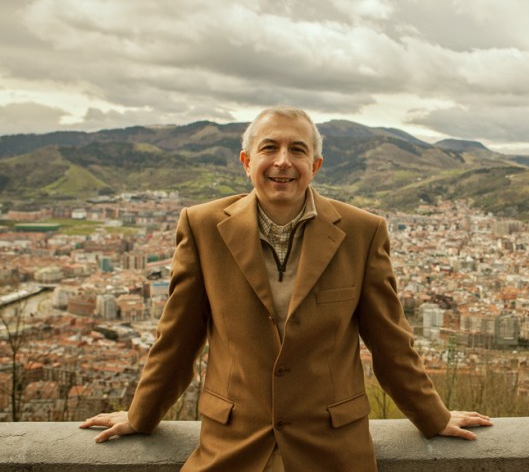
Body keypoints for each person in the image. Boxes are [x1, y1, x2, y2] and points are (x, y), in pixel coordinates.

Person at [80, 105, 492, 471]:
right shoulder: (202, 226)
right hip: (231, 443)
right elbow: (177, 337)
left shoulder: (362, 232)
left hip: (332, 447)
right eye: (269, 148)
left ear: (316, 164)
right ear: (246, 161)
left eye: (297, 150)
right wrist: (141, 415)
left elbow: (390, 342)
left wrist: (433, 417)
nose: (283, 161)